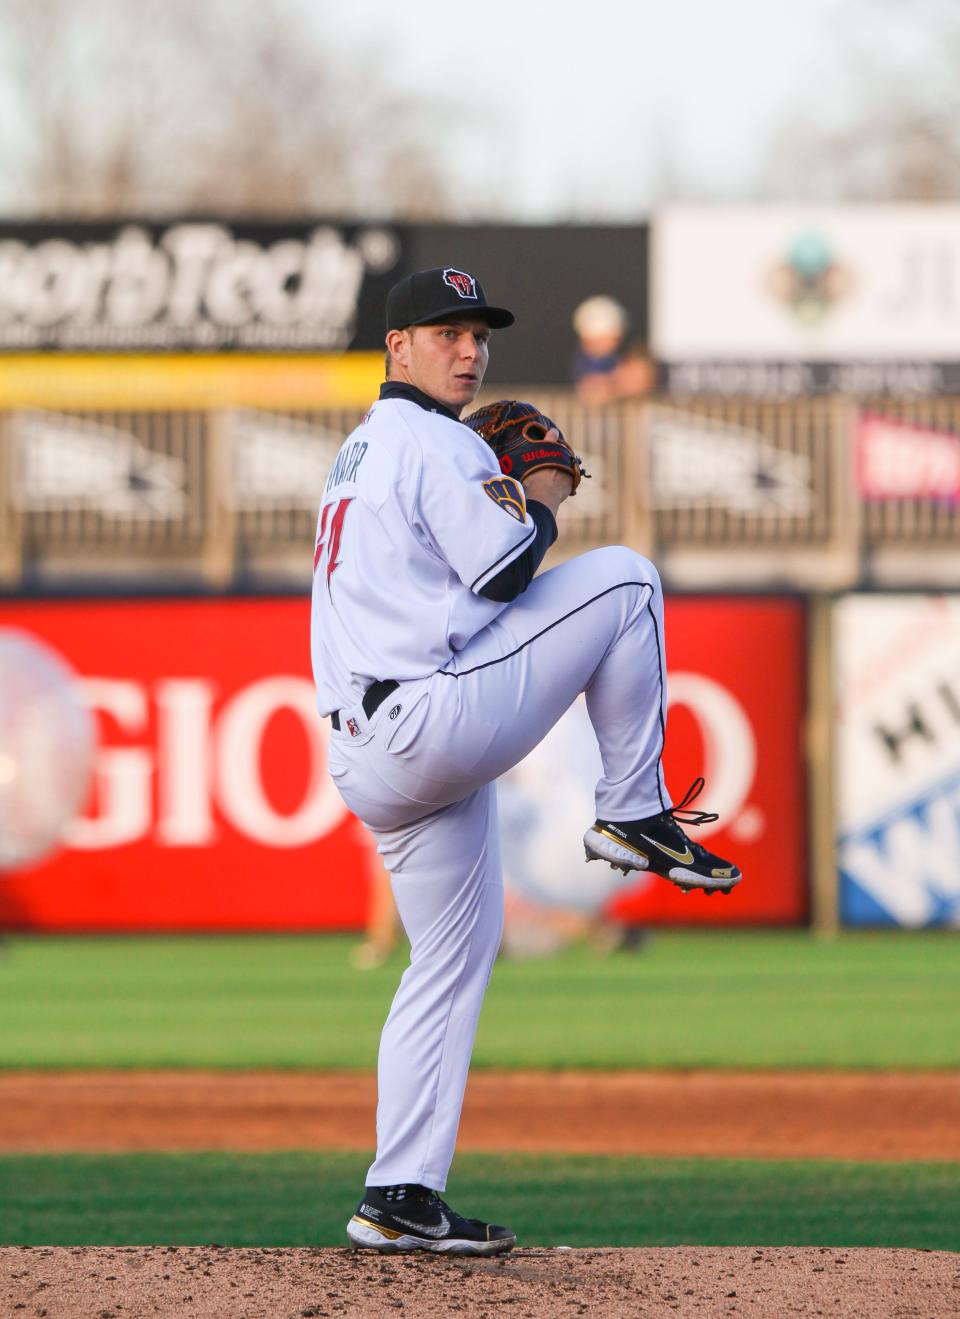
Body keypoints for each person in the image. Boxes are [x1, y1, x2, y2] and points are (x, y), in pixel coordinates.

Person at [310, 266, 741, 1257]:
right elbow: (510, 567)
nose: (469, 348)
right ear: (398, 345)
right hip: (426, 718)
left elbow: (472, 598)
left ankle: (398, 1191)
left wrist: (500, 491)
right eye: (445, 331)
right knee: (628, 582)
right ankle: (632, 805)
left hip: (373, 748)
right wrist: (539, 492)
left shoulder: (360, 449)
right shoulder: (431, 438)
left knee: (450, 960)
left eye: (479, 333)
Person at [571, 294, 657, 405]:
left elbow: (640, 379)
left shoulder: (628, 357)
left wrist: (616, 385)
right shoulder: (583, 361)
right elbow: (590, 392)